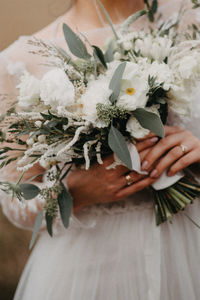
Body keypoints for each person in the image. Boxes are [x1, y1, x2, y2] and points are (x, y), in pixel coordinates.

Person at [0, 0, 200, 299]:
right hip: (91, 269)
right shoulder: (19, 60)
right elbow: (14, 200)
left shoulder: (189, 19)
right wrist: (74, 191)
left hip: (189, 247)